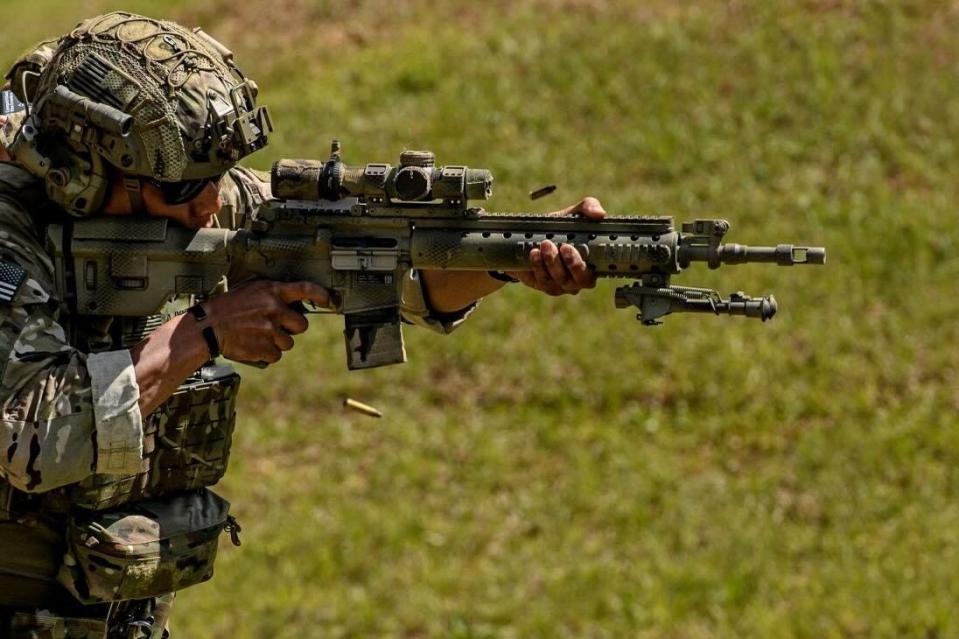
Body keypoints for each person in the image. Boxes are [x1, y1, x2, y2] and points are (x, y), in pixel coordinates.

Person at [0, 12, 606, 638]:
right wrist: (204, 332)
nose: (210, 205)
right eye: (184, 191)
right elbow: (30, 437)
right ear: (87, 172)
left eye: (213, 181)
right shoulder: (9, 237)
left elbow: (400, 275)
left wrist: (511, 257)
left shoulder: (191, 195)